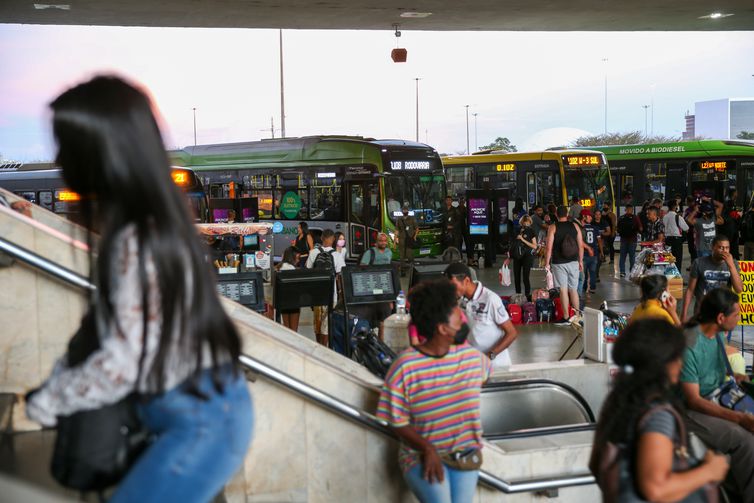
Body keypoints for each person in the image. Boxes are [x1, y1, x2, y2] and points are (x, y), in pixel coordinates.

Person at [24, 76, 252, 502]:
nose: (59, 157)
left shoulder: (135, 236)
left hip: (199, 422)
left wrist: (46, 402)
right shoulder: (153, 222)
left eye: (67, 144)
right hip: (202, 410)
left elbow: (122, 362)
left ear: (101, 151)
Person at [376, 279, 490, 503]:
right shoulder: (405, 367)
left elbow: (483, 379)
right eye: (454, 309)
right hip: (420, 457)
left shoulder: (473, 359)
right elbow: (396, 420)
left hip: (465, 455)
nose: (460, 312)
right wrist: (427, 448)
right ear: (442, 327)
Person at [591, 318, 729, 502]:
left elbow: (597, 463)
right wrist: (709, 470)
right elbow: (656, 489)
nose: (680, 364)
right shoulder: (658, 414)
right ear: (661, 362)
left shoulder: (618, 399)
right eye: (677, 357)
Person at [680, 288, 754, 501]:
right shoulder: (690, 344)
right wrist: (739, 418)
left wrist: (737, 377)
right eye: (737, 315)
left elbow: (714, 374)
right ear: (721, 318)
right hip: (687, 409)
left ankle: (736, 485)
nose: (740, 318)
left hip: (716, 396)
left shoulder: (716, 334)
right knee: (746, 441)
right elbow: (693, 400)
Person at [445, 263, 518, 369]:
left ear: (466, 281)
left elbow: (512, 333)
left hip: (497, 366)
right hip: (474, 365)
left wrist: (490, 355)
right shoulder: (460, 301)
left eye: (453, 286)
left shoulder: (491, 299)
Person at [682, 234, 743, 322]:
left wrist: (731, 266)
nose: (724, 251)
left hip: (723, 314)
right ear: (712, 247)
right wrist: (684, 314)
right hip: (702, 313)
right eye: (721, 247)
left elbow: (739, 289)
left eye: (727, 248)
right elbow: (690, 290)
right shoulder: (699, 263)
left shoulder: (733, 264)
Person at [307, 228, 346, 345]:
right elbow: (339, 276)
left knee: (317, 324)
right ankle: (324, 348)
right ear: (333, 239)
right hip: (331, 295)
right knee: (326, 325)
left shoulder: (313, 252)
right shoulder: (337, 255)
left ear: (322, 238)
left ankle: (318, 346)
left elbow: (308, 271)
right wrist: (341, 295)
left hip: (316, 295)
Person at [545, 206, 584, 324]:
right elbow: (581, 245)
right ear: (567, 214)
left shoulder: (553, 227)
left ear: (556, 214)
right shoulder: (575, 226)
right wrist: (580, 261)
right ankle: (577, 317)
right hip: (573, 262)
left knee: (563, 290)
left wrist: (547, 263)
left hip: (559, 263)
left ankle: (566, 317)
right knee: (573, 290)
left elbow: (548, 248)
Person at [506, 214, 537, 297]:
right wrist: (509, 257)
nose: (526, 224)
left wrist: (523, 239)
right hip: (517, 255)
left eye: (527, 223)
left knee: (526, 277)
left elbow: (534, 246)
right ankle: (518, 295)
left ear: (530, 223)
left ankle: (527, 295)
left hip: (527, 256)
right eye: (524, 223)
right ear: (521, 222)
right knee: (516, 277)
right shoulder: (516, 230)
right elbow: (512, 244)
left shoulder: (531, 231)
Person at [278, 246, 301, 331]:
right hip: (293, 302)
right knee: (293, 332)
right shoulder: (291, 268)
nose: (298, 261)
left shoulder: (280, 266)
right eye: (297, 258)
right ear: (292, 257)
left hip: (283, 302)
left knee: (287, 330)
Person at [662, 200, 689, 272]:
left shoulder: (665, 217)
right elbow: (686, 228)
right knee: (677, 260)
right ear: (675, 207)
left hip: (667, 240)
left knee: (669, 260)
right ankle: (676, 280)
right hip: (677, 241)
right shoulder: (678, 217)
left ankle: (669, 278)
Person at [580, 210, 602, 295]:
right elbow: (599, 240)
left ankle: (585, 287)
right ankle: (592, 288)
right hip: (594, 253)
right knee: (593, 272)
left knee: (584, 273)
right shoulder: (595, 228)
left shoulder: (582, 228)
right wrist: (601, 252)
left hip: (584, 254)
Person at [617, 204, 642, 278]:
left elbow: (618, 229)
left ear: (625, 209)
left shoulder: (621, 218)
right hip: (632, 240)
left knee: (622, 257)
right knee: (632, 257)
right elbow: (640, 228)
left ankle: (622, 272)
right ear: (632, 210)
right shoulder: (635, 218)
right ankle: (632, 271)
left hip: (623, 240)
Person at [395, 202, 419, 277]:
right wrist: (395, 240)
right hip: (401, 240)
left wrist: (414, 236)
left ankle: (413, 270)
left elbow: (417, 229)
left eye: (406, 210)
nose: (405, 211)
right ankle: (403, 271)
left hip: (409, 240)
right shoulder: (399, 219)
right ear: (402, 211)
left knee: (410, 256)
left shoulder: (412, 219)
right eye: (403, 210)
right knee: (402, 257)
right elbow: (396, 230)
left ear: (408, 211)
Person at [593, 209, 610, 282]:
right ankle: (595, 275)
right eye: (596, 214)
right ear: (594, 215)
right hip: (593, 244)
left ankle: (596, 275)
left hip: (602, 243)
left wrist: (602, 234)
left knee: (599, 261)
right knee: (594, 261)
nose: (597, 216)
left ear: (601, 215)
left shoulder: (604, 222)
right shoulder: (592, 223)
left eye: (599, 214)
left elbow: (609, 232)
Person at [684, 196, 699, 266]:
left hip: (695, 232)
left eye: (687, 201)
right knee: (691, 249)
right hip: (689, 232)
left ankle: (695, 265)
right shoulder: (688, 209)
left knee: (694, 250)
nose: (686, 203)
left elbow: (689, 220)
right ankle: (693, 264)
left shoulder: (696, 210)